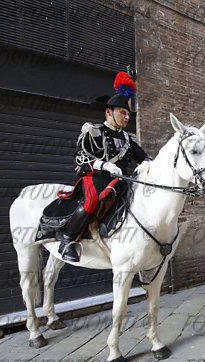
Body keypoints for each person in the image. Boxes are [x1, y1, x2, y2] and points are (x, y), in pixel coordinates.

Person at [60, 72, 151, 262]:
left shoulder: (129, 139)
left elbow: (144, 158)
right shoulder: (93, 131)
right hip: (96, 178)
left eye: (128, 114)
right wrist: (104, 166)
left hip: (121, 181)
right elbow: (80, 157)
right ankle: (67, 240)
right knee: (91, 201)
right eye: (122, 113)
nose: (127, 117)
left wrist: (151, 166)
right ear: (109, 112)